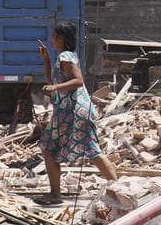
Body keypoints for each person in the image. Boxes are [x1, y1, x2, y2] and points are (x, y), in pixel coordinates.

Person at [36, 21, 117, 206]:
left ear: (61, 38)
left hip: (74, 113)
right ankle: (117, 186)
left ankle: (56, 195)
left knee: (55, 149)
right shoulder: (66, 56)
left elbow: (78, 81)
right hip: (71, 112)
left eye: (54, 37)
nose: (51, 40)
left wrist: (55, 87)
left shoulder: (65, 56)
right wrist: (46, 60)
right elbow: (52, 80)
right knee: (88, 149)